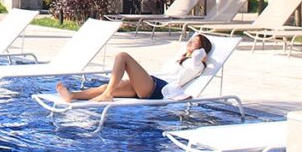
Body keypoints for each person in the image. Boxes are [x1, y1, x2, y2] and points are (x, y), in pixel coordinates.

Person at [56, 34, 213, 103]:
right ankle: (73, 96)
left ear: (201, 48)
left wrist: (201, 52)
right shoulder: (181, 59)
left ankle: (108, 95)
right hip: (151, 83)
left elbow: (199, 55)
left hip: (159, 88)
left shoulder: (196, 64)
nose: (191, 42)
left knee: (123, 56)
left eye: (195, 41)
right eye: (191, 40)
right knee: (107, 86)